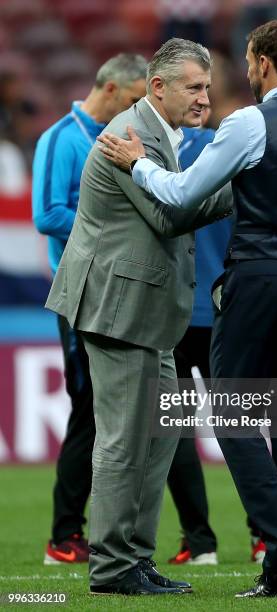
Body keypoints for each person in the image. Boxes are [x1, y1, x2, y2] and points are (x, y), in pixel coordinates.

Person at [98, 19, 277, 598]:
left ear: (260, 61)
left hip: (257, 277)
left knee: (234, 415)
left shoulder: (248, 122)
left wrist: (137, 162)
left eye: (246, 58)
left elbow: (183, 193)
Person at [45, 38, 232, 596]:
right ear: (158, 87)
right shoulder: (126, 135)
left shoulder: (158, 134)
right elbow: (167, 214)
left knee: (161, 438)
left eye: (206, 87)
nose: (204, 98)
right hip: (118, 308)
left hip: (151, 311)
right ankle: (111, 568)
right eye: (194, 87)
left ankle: (136, 557)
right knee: (126, 440)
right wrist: (239, 184)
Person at [32, 53, 148, 565]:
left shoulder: (114, 138)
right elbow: (47, 213)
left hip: (115, 290)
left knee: (110, 415)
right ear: (109, 88)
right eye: (134, 99)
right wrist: (108, 222)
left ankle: (96, 530)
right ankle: (64, 534)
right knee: (88, 411)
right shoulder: (63, 137)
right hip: (79, 291)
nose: (139, 109)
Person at [169, 120, 266, 566]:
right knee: (241, 422)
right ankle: (265, 535)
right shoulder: (235, 149)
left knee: (174, 428)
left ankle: (199, 542)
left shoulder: (151, 153)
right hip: (225, 307)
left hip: (170, 310)